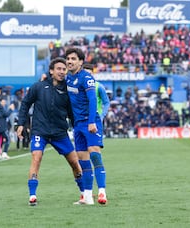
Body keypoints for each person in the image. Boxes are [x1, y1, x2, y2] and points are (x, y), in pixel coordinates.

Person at [16, 57, 83, 206]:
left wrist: (78, 128)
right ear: (51, 71)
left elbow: (72, 112)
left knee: (74, 162)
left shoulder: (68, 89)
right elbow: (26, 103)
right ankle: (32, 195)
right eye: (59, 69)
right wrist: (21, 123)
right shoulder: (38, 87)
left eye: (64, 69)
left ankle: (84, 193)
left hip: (60, 132)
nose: (62, 72)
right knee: (36, 157)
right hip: (40, 130)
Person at [65, 47, 107, 205]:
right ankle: (88, 197)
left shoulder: (86, 77)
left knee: (94, 154)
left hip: (90, 122)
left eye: (73, 59)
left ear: (81, 62)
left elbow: (92, 100)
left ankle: (102, 192)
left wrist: (91, 122)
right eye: (68, 58)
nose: (70, 61)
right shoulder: (68, 79)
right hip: (77, 125)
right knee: (82, 159)